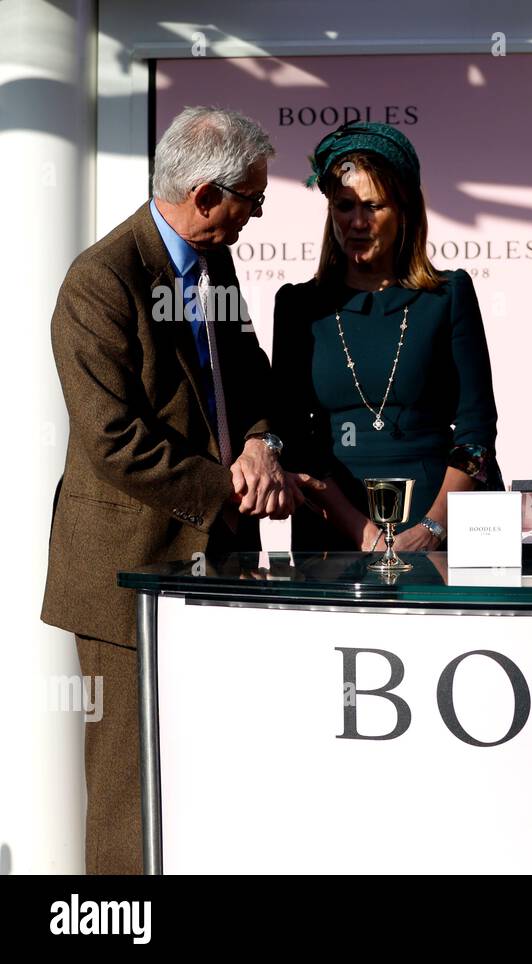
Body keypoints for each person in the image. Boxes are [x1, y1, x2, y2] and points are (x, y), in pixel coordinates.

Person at [42, 106, 320, 874]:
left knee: (211, 776)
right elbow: (113, 441)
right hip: (126, 573)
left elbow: (249, 374)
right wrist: (234, 490)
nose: (254, 219)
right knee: (131, 795)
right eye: (252, 202)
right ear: (206, 194)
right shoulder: (98, 283)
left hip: (218, 566)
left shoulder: (214, 264)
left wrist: (263, 442)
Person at [272, 122, 501, 552]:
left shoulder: (448, 296)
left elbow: (476, 432)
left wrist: (432, 529)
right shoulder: (297, 306)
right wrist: (361, 531)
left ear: (405, 211)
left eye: (374, 206)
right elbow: (293, 435)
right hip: (331, 528)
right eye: (344, 206)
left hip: (438, 524)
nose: (357, 222)